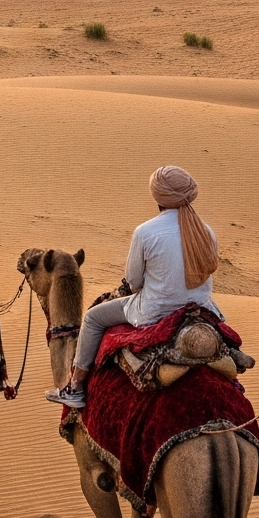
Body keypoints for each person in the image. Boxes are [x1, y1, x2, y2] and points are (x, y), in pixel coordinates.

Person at [44, 165, 221, 407]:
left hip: (154, 310)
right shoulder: (207, 232)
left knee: (93, 319)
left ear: (157, 198)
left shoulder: (146, 232)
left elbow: (134, 282)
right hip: (201, 309)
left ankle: (75, 387)